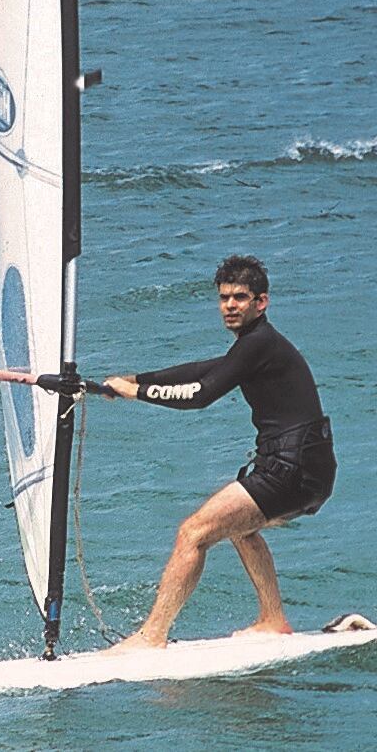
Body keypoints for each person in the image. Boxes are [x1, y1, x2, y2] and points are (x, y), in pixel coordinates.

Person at [96, 254, 335, 653]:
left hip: (290, 469)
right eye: (224, 297)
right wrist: (135, 379)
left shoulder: (259, 344)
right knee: (239, 527)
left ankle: (151, 636)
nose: (229, 305)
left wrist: (135, 392)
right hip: (308, 469)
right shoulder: (254, 347)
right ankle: (273, 619)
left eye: (240, 297)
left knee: (194, 533)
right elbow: (201, 370)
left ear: (262, 302)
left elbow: (200, 394)